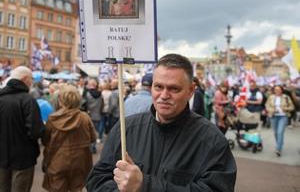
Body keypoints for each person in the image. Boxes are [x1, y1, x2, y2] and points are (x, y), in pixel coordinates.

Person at [86, 54, 237, 191]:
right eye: (158, 87)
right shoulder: (126, 129)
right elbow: (97, 179)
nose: (164, 95)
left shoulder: (212, 140)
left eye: (174, 89)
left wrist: (145, 185)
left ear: (191, 91)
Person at [42, 84, 97, 192]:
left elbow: (45, 141)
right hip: (80, 161)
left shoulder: (52, 119)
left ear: (61, 100)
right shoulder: (84, 117)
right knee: (77, 189)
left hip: (57, 160)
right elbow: (93, 138)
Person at [0, 66, 45, 192]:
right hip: (23, 158)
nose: (32, 82)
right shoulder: (28, 100)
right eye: (31, 79)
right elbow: (36, 131)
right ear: (25, 79)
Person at [266, 85, 294, 157]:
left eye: (278, 89)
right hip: (273, 116)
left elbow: (292, 107)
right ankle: (280, 143)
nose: (277, 91)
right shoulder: (271, 97)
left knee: (280, 132)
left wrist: (285, 108)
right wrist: (273, 110)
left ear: (282, 90)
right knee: (276, 133)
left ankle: (278, 149)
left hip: (283, 116)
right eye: (275, 89)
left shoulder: (286, 97)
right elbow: (267, 105)